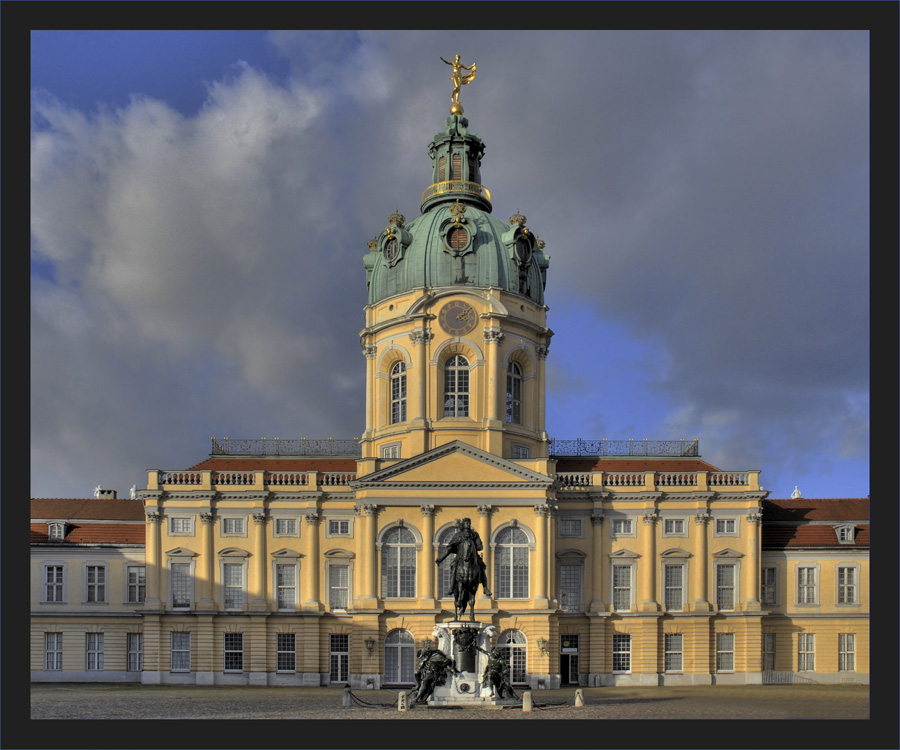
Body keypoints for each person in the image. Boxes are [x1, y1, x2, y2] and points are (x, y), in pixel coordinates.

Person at [437, 517, 492, 597]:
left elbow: (480, 547)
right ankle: (451, 587)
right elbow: (450, 548)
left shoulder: (474, 534)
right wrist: (441, 558)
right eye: (467, 523)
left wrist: (475, 544)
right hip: (460, 557)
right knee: (454, 567)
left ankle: (485, 588)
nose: (469, 524)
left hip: (474, 557)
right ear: (463, 525)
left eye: (469, 523)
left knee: (481, 567)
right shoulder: (458, 535)